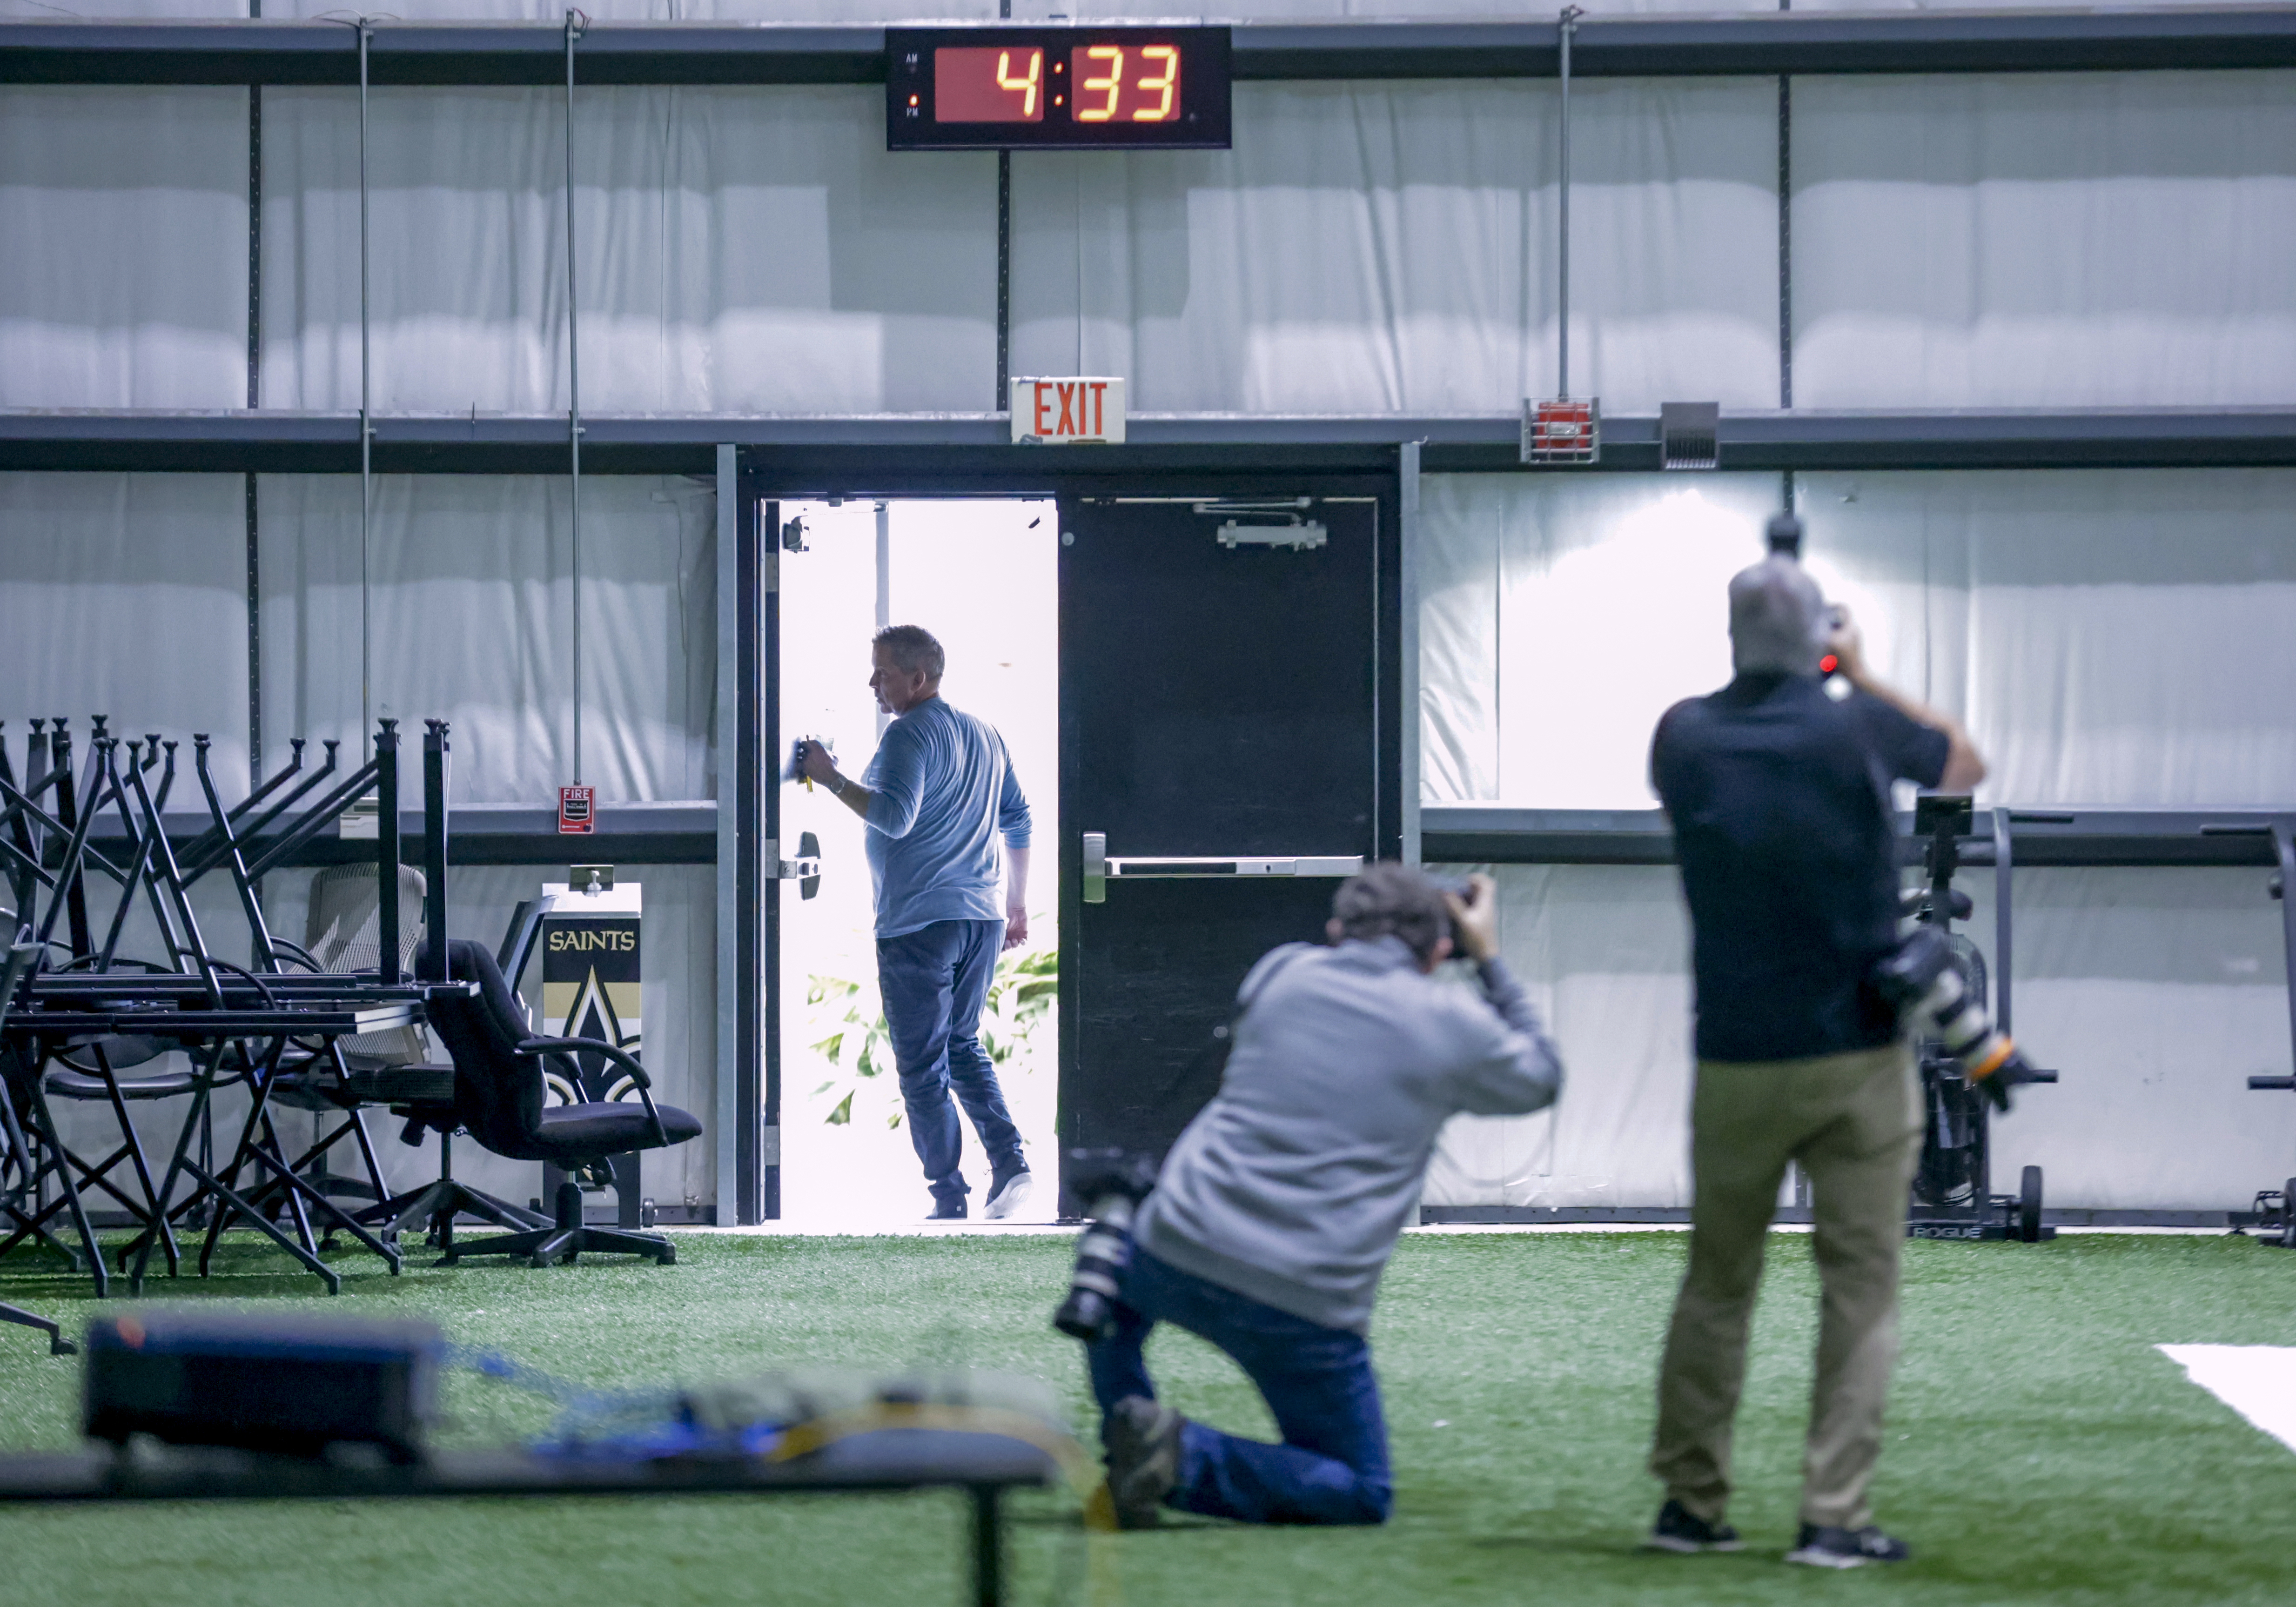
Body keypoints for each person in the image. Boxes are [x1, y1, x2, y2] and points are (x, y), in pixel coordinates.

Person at [1643, 530, 1986, 1568]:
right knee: (1860, 1288)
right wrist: (1861, 672)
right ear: (1820, 637)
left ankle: (1689, 1507)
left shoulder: (1684, 736)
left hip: (1734, 1056)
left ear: (1734, 635)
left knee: (1716, 1284)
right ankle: (1832, 1516)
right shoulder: (1859, 731)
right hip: (1858, 1056)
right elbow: (1962, 764)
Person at [1089, 864, 1563, 1528]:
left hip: (1176, 1243)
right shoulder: (1450, 1021)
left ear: (1338, 931)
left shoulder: (1280, 971)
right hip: (1301, 1299)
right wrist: (1488, 959)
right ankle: (1177, 1455)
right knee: (1361, 1489)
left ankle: (1127, 1430)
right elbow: (1541, 1076)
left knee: (1108, 1290)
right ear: (1437, 950)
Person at [795, 625, 1034, 1220]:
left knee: (923, 1064)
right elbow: (1019, 819)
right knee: (959, 1042)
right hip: (979, 919)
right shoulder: (985, 734)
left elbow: (895, 819)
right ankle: (1010, 1164)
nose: (872, 683)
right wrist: (1016, 903)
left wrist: (830, 780)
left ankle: (948, 1196)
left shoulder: (907, 734)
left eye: (882, 672)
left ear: (918, 677)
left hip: (919, 925)